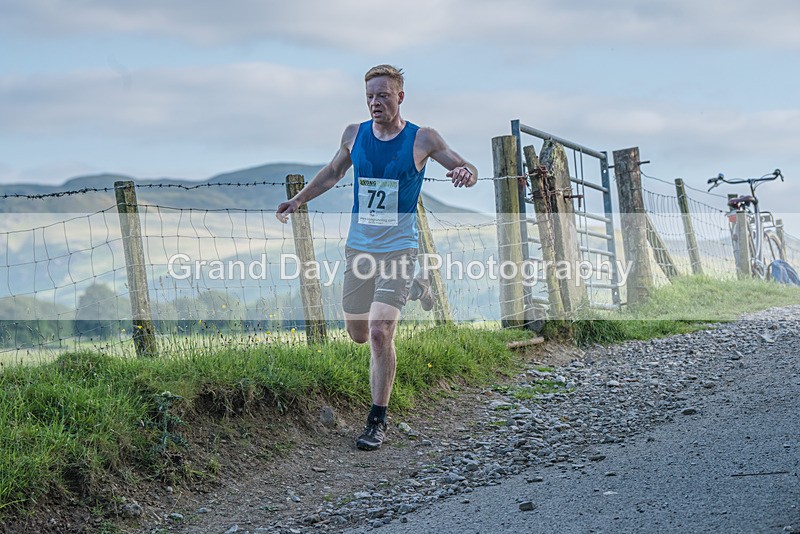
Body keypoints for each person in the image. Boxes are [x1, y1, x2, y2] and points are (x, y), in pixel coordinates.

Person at [276, 65, 477, 451]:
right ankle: (419, 284)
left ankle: (376, 421)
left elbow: (466, 166)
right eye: (370, 95)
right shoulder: (354, 135)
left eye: (383, 95)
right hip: (359, 250)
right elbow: (334, 172)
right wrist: (299, 200)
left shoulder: (423, 139)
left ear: (400, 96)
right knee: (356, 333)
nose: (375, 102)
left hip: (400, 249)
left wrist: (466, 174)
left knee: (379, 333)